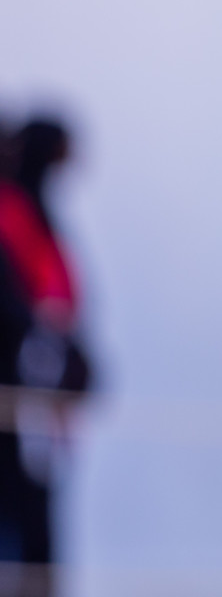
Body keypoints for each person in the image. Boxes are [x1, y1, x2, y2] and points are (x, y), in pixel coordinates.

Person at [0, 118, 92, 595]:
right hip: (13, 404)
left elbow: (55, 304)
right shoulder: (11, 214)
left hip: (33, 406)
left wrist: (73, 362)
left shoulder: (30, 214)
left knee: (34, 533)